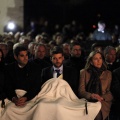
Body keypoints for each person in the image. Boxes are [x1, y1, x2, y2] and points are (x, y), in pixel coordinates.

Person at [78, 50, 113, 120]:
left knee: (99, 112)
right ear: (91, 61)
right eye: (95, 59)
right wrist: (91, 96)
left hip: (103, 101)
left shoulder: (108, 73)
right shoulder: (84, 72)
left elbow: (110, 92)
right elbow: (81, 91)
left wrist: (102, 97)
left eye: (100, 58)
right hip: (88, 101)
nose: (99, 61)